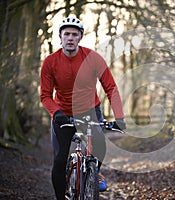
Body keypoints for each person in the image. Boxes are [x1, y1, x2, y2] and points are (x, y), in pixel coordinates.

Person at [40, 16, 126, 200]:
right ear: (60, 37)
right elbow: (45, 95)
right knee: (60, 159)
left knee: (99, 147)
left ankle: (95, 172)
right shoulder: (50, 62)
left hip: (90, 111)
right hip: (63, 114)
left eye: (74, 34)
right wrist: (56, 113)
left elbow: (111, 88)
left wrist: (119, 117)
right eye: (67, 34)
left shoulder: (93, 59)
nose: (70, 38)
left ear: (80, 37)